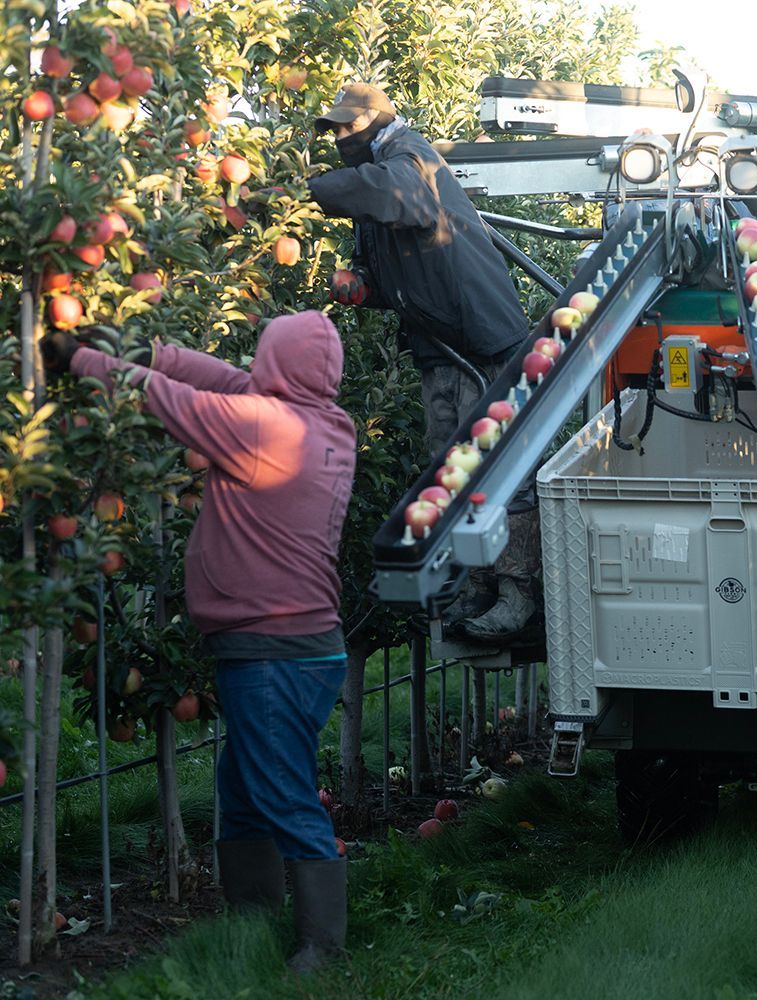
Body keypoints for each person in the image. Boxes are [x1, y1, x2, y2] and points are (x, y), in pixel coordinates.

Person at [43, 313, 356, 973]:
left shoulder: (259, 428)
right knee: (243, 786)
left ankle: (322, 949)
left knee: (280, 790)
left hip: (273, 650)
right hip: (299, 645)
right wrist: (146, 348)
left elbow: (170, 400)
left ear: (277, 364)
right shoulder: (327, 424)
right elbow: (220, 377)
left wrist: (78, 360)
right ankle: (252, 921)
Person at [308, 81, 539, 643]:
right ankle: (478, 587)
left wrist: (306, 192)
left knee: (496, 470)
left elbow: (397, 193)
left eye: (347, 127)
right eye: (335, 130)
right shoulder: (377, 189)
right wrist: (360, 287)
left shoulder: (410, 157)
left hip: (482, 343)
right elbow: (392, 276)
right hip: (440, 347)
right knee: (450, 468)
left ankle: (518, 594)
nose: (341, 137)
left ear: (376, 122)